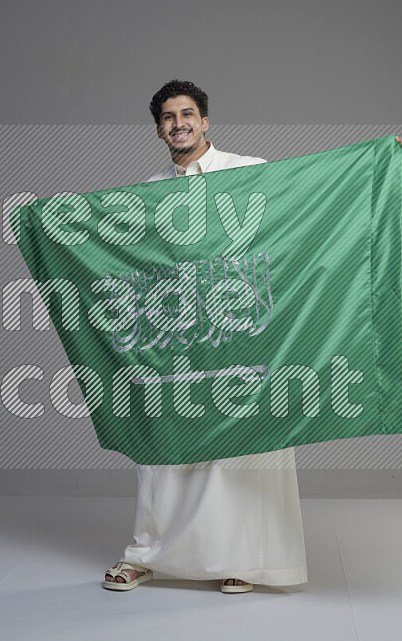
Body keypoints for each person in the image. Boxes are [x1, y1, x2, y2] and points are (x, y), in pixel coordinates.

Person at [103, 80, 308, 594]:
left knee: (241, 452)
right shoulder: (149, 194)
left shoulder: (247, 171)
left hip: (239, 333)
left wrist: (368, 166)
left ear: (206, 121)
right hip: (178, 337)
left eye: (188, 114)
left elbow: (305, 198)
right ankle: (146, 553)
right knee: (163, 449)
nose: (179, 124)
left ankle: (242, 559)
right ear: (158, 129)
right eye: (169, 117)